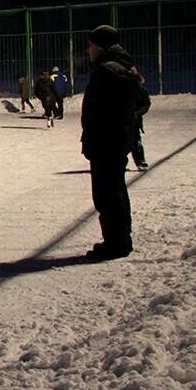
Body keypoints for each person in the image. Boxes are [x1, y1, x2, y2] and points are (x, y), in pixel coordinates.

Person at [81, 25, 147, 261]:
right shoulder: (123, 68)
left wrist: (111, 126)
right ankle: (118, 240)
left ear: (99, 46)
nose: (88, 50)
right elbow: (141, 102)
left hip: (107, 142)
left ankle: (116, 243)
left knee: (108, 194)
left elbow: (102, 109)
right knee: (114, 192)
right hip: (114, 140)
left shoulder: (108, 71)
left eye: (90, 45)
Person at [130, 66, 151, 171]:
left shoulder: (139, 87)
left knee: (135, 140)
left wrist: (137, 113)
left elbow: (146, 103)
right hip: (118, 118)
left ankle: (140, 160)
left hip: (133, 119)